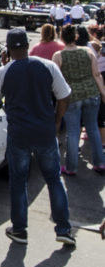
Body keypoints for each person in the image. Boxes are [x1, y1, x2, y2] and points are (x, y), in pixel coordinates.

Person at [0, 29, 75, 246]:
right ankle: (63, 229)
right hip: (45, 132)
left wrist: (4, 66)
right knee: (54, 179)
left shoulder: (1, 72)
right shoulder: (48, 66)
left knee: (18, 182)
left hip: (19, 135)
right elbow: (64, 96)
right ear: (28, 46)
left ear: (8, 50)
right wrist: (57, 121)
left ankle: (19, 230)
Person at [51, 24, 105, 175]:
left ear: (61, 38)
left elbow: (55, 79)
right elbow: (96, 74)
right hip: (91, 93)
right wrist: (103, 93)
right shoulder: (88, 51)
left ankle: (71, 167)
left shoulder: (58, 56)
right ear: (76, 37)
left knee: (73, 132)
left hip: (72, 97)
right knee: (93, 128)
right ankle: (100, 163)